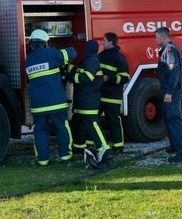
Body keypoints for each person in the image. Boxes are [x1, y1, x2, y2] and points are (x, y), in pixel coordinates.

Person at [25, 30, 77, 166]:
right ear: (45, 43)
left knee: (40, 131)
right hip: (56, 103)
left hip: (38, 105)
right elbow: (72, 54)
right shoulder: (51, 54)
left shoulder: (28, 59)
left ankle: (42, 160)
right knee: (61, 128)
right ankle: (65, 156)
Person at [69, 39, 110, 167]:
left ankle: (104, 148)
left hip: (89, 102)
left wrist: (72, 77)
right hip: (83, 101)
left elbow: (88, 77)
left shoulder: (92, 60)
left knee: (93, 125)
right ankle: (79, 147)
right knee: (79, 124)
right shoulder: (87, 60)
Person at [155, 27, 182, 163]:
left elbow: (174, 72)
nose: (156, 40)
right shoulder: (167, 50)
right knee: (169, 118)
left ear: (164, 37)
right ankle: (175, 145)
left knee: (175, 119)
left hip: (173, 91)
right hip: (172, 90)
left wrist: (169, 92)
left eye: (157, 37)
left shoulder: (169, 50)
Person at [97, 32, 130, 154]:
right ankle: (98, 144)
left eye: (104, 40)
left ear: (111, 42)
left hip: (113, 96)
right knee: (94, 120)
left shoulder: (119, 58)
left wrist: (109, 78)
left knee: (113, 121)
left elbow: (125, 77)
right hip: (100, 95)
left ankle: (118, 146)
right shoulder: (101, 55)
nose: (102, 42)